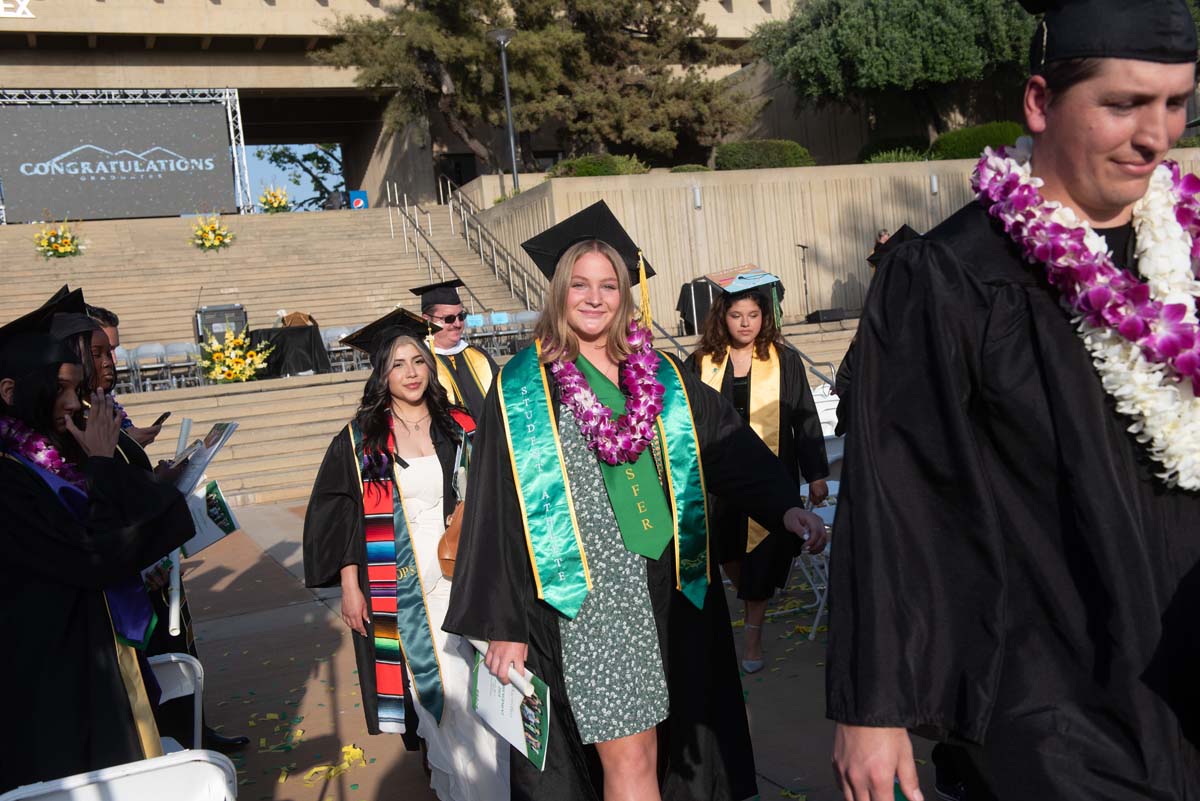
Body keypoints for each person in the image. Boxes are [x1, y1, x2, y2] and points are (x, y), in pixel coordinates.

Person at [828, 1, 1200, 799]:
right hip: (1053, 712)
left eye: (1176, 103)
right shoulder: (951, 278)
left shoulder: (1191, 254)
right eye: (1124, 103)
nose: (1156, 135)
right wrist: (873, 705)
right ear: (1039, 103)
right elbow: (897, 488)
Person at [443, 201, 828, 801]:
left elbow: (726, 443)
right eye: (580, 285)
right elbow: (497, 509)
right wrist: (502, 625)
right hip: (584, 600)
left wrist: (783, 504)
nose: (594, 299)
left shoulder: (662, 377)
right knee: (628, 761)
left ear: (624, 296)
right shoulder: (522, 388)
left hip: (669, 592)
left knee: (656, 754)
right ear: (558, 292)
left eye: (609, 286)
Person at [303, 308, 507, 801]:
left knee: (483, 704)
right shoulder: (361, 441)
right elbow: (341, 518)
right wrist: (350, 586)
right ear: (382, 374)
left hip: (465, 581)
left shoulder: (461, 426)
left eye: (419, 360)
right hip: (401, 592)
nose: (412, 372)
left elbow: (495, 498)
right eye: (399, 364)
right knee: (442, 701)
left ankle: (479, 790)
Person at [0, 296, 193, 791]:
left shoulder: (43, 462)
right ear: (9, 392)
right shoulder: (10, 479)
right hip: (55, 680)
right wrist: (105, 465)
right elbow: (96, 556)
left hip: (93, 659)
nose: (73, 400)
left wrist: (102, 465)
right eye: (61, 388)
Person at [685, 269, 829, 673]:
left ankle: (752, 636)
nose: (746, 323)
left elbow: (805, 418)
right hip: (717, 477)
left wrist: (815, 472)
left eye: (753, 314)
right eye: (736, 315)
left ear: (764, 317)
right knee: (728, 549)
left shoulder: (785, 361)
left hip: (771, 474)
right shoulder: (699, 362)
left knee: (764, 554)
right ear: (722, 318)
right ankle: (748, 592)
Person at [410, 280, 499, 420]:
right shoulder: (418, 363)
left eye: (461, 316)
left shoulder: (479, 356)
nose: (457, 324)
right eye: (449, 319)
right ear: (427, 320)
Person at [85, 303, 162, 447]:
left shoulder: (104, 399)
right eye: (98, 352)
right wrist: (126, 445)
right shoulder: (72, 408)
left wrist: (131, 440)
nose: (114, 360)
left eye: (113, 350)